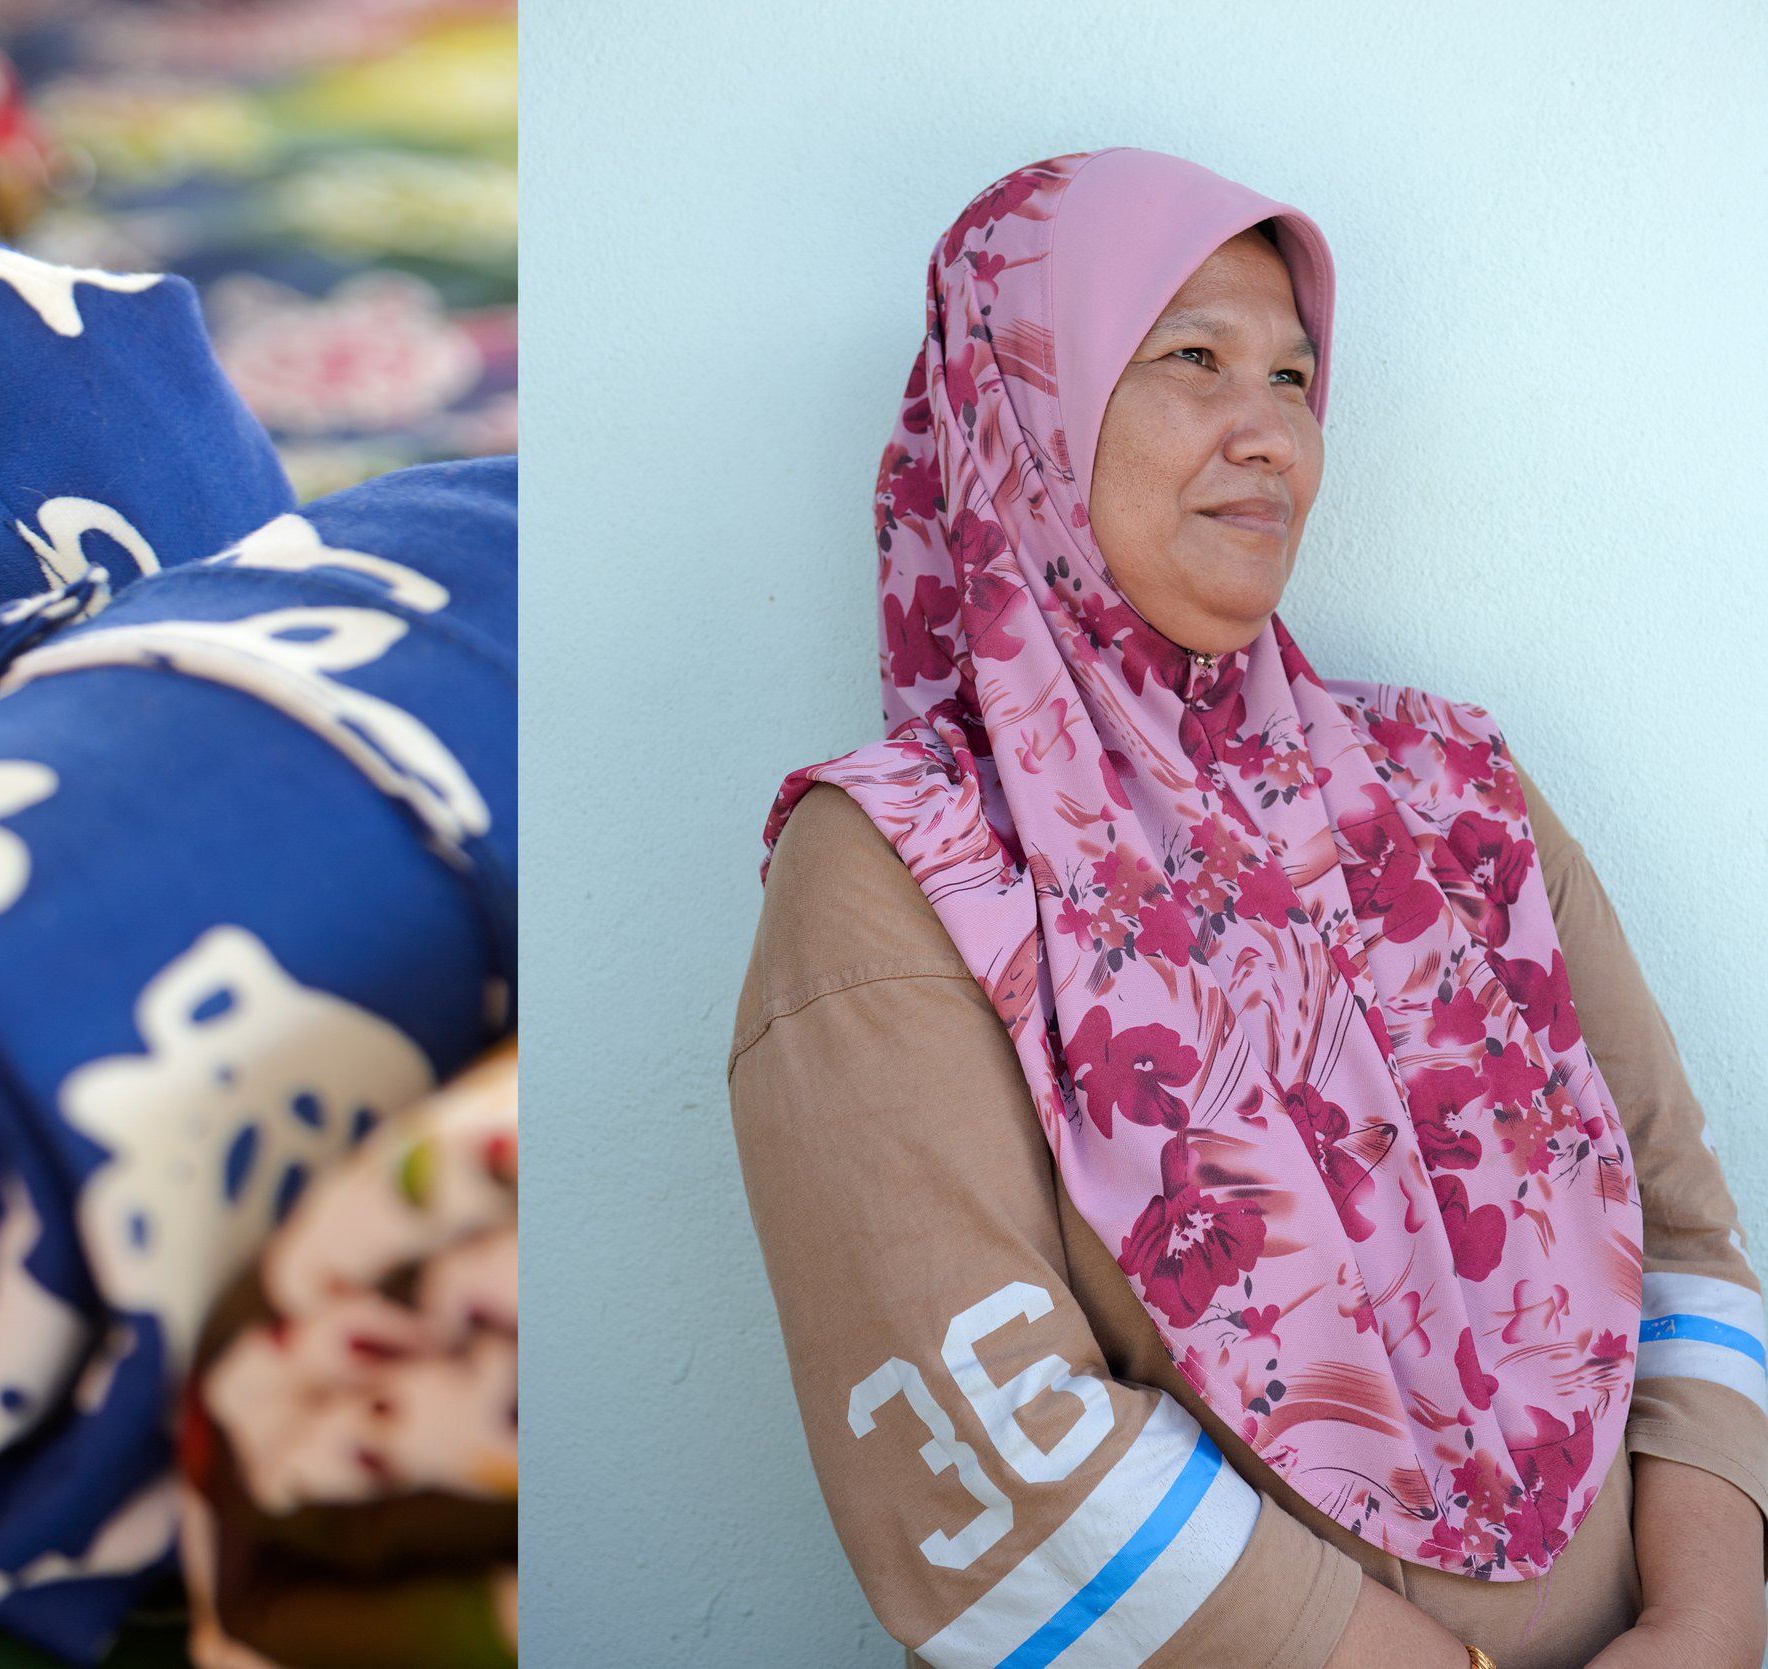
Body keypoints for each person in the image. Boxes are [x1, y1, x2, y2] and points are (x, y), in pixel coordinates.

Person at [727, 148, 1767, 1669]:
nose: (1266, 431)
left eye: (1293, 376)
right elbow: (983, 1421)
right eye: (1192, 357)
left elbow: (1682, 1227)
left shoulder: (1452, 794)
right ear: (1021, 405)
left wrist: (1714, 1617)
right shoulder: (901, 867)